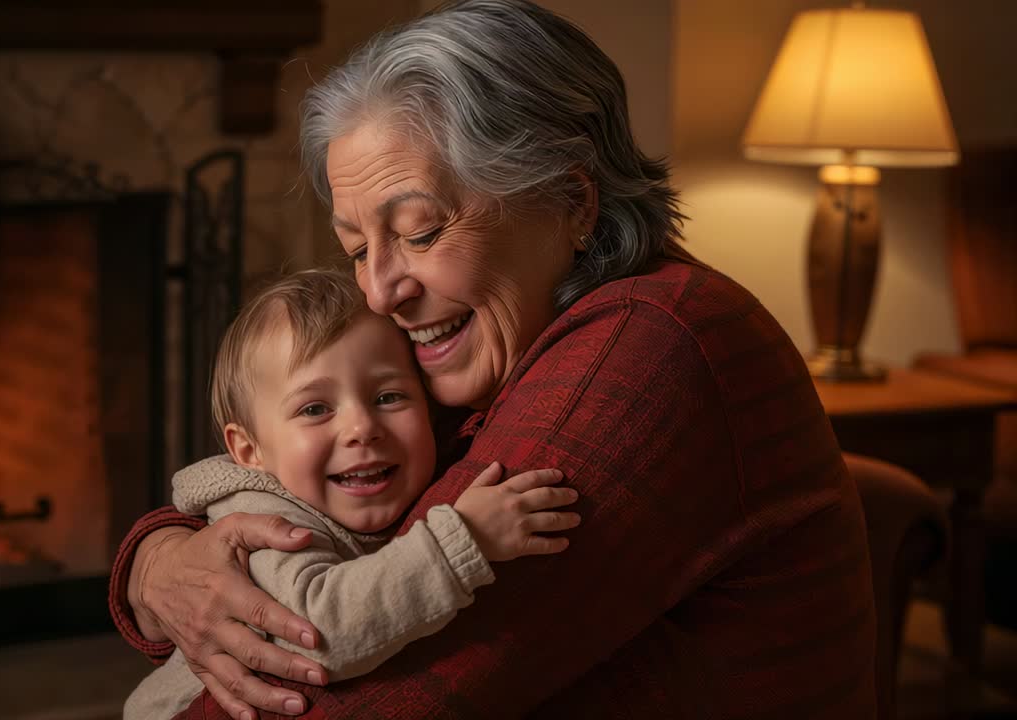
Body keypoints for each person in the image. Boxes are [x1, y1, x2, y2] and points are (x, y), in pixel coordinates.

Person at [110, 1, 878, 717]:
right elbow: (278, 493)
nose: (379, 291)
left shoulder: (645, 352)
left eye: (418, 232)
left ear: (572, 203)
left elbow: (355, 699)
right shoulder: (493, 346)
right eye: (355, 248)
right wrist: (157, 561)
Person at [123, 269, 578, 720]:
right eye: (315, 409)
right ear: (249, 449)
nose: (361, 428)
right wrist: (464, 541)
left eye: (388, 397)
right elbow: (319, 633)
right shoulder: (260, 522)